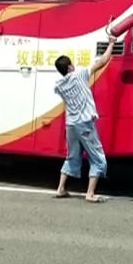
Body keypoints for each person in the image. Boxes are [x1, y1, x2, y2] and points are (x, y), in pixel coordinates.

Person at [53, 35, 116, 203]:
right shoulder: (80, 74)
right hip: (85, 123)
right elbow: (102, 61)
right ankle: (90, 193)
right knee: (97, 157)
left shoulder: (59, 86)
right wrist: (111, 44)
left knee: (72, 156)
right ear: (70, 66)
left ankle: (60, 188)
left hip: (71, 125)